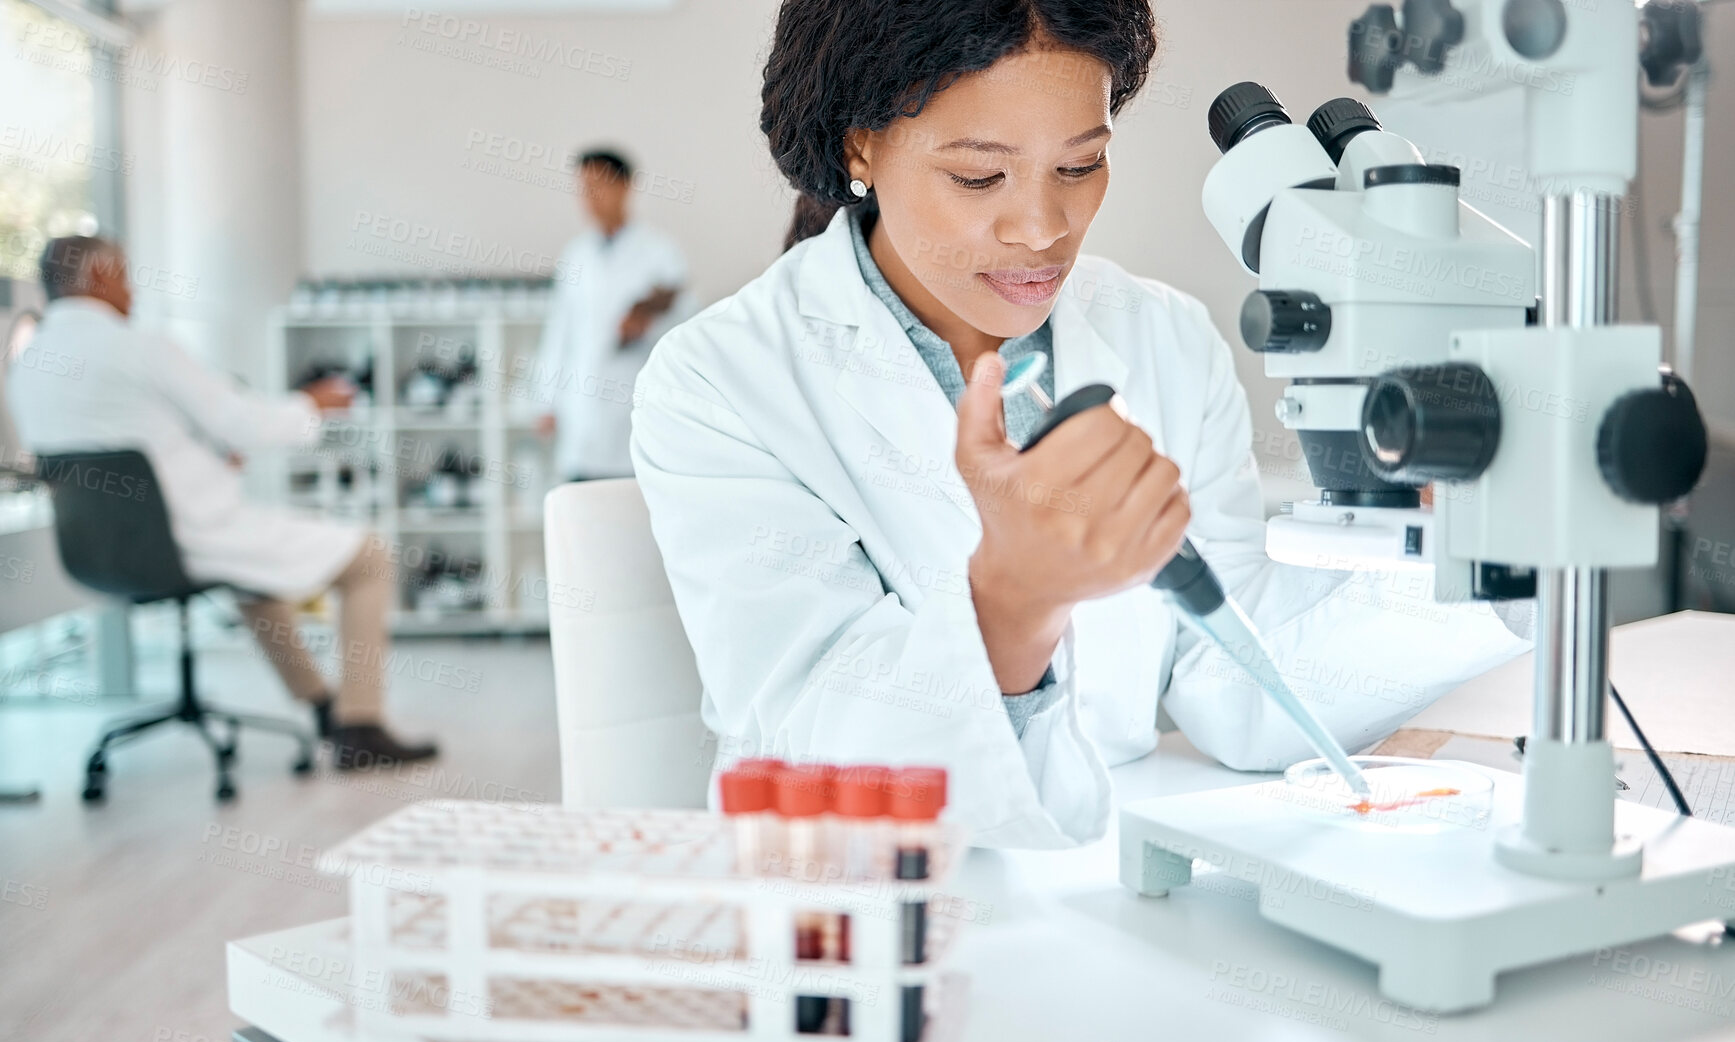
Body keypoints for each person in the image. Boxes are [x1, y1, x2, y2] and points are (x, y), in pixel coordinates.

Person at [628, 0, 1534, 849]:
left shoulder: (1164, 334)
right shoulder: (721, 379)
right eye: (979, 174)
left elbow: (1233, 677)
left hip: (1110, 893)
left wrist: (1500, 549)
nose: (1041, 227)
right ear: (859, 146)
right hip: (870, 913)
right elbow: (807, 732)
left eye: (1079, 164)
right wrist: (1011, 606)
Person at [8, 235, 437, 766]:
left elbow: (118, 445)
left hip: (97, 553)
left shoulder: (28, 365)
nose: (133, 288)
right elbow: (241, 422)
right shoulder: (140, 347)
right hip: (190, 534)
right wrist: (313, 403)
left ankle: (324, 707)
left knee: (256, 577)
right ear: (97, 275)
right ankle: (362, 726)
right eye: (123, 273)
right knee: (370, 557)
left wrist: (209, 451)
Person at [533, 148, 691, 481]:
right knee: (582, 511)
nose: (590, 197)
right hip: (581, 408)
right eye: (584, 187)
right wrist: (546, 402)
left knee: (628, 509)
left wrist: (646, 322)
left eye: (599, 185)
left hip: (633, 398)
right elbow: (560, 332)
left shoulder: (661, 253)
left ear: (625, 187)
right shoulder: (575, 256)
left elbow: (687, 323)